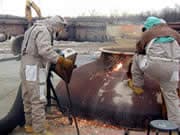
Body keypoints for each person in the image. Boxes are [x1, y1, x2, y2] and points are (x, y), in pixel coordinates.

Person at [20, 16, 73, 135]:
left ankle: (30, 125)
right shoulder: (44, 31)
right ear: (57, 25)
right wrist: (61, 60)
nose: (60, 31)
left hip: (25, 66)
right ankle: (39, 130)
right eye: (60, 28)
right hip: (34, 67)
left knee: (28, 97)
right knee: (38, 99)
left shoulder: (33, 29)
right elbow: (44, 50)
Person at [130, 16, 180, 126]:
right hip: (173, 70)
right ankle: (176, 126)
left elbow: (139, 49)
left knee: (136, 56)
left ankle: (137, 85)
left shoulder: (147, 34)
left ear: (150, 26)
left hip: (155, 67)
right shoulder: (175, 34)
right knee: (171, 97)